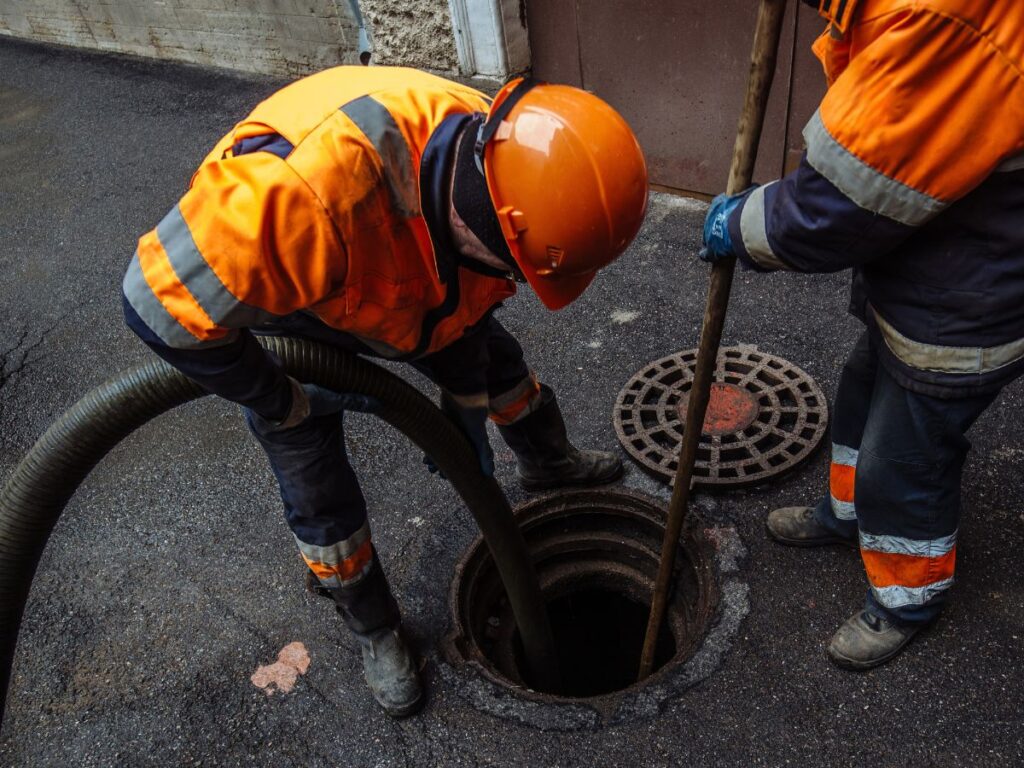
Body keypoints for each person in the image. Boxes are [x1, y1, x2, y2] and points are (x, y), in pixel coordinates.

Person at [122, 66, 648, 715]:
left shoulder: (514, 159)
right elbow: (152, 306)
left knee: (497, 367)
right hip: (307, 305)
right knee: (315, 481)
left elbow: (471, 314)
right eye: (519, 267)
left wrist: (465, 412)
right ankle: (374, 628)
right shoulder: (292, 198)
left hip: (418, 280)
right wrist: (279, 396)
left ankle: (549, 464)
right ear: (490, 224)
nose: (520, 279)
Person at [700, 0, 1024, 670]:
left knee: (902, 460)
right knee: (859, 395)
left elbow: (841, 204)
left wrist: (742, 228)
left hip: (969, 300)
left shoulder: (943, 19)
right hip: (927, 264)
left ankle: (907, 597)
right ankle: (846, 515)